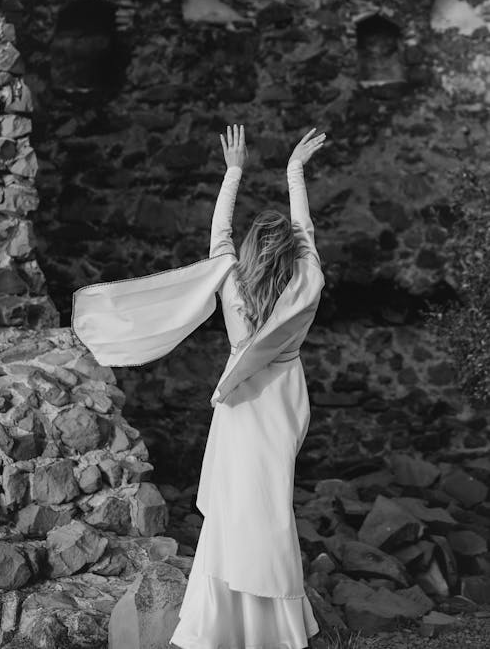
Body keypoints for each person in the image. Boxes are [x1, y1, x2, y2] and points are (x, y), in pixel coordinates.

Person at [169, 124, 327, 649]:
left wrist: (233, 171)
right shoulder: (307, 284)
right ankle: (272, 629)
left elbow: (218, 237)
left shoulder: (232, 286)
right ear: (293, 252)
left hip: (238, 404)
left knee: (235, 505)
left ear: (251, 253)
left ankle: (221, 627)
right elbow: (305, 230)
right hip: (283, 402)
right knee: (271, 505)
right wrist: (293, 170)